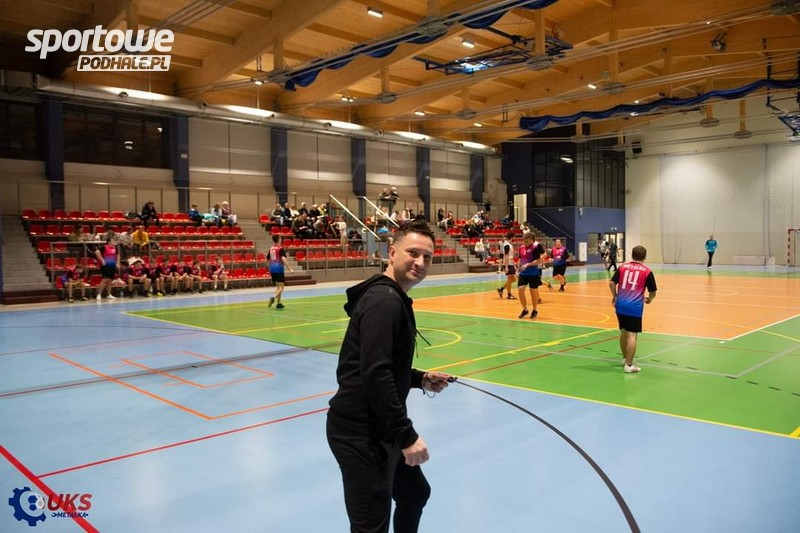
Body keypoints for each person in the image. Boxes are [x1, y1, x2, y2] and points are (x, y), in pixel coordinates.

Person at [326, 220, 454, 533]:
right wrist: (406, 436)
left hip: (380, 427)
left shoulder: (392, 296)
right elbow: (375, 373)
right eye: (413, 253)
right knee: (371, 526)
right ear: (392, 252)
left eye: (428, 257)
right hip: (360, 434)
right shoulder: (384, 301)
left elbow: (379, 364)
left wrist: (419, 378)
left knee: (415, 493)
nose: (420, 262)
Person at [609, 245, 657, 373]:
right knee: (632, 335)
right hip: (634, 307)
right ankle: (629, 365)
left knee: (623, 332)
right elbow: (653, 291)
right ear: (644, 257)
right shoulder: (647, 271)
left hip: (620, 304)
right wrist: (650, 299)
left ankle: (625, 358)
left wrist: (615, 296)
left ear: (632, 255)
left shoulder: (622, 267)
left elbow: (611, 283)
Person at [516, 233, 545, 319]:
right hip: (523, 273)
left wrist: (528, 264)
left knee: (533, 292)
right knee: (520, 290)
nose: (525, 242)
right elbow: (520, 259)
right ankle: (525, 309)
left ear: (532, 241)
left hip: (533, 273)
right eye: (524, 241)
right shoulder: (521, 248)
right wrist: (518, 270)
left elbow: (538, 261)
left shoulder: (535, 248)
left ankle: (535, 309)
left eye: (527, 241)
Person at [265, 235, 294, 309]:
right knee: (281, 287)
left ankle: (279, 303)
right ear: (278, 240)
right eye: (280, 238)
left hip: (272, 269)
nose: (281, 239)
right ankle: (273, 297)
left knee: (278, 287)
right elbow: (283, 258)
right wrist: (290, 268)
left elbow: (268, 259)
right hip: (279, 269)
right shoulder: (280, 248)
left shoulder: (271, 248)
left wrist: (270, 267)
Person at [94, 236, 118, 301]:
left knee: (110, 280)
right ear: (109, 242)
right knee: (104, 280)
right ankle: (99, 294)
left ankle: (109, 294)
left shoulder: (115, 248)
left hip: (112, 266)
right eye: (113, 241)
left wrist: (117, 263)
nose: (114, 242)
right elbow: (97, 252)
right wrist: (102, 260)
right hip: (105, 266)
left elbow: (117, 255)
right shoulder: (104, 247)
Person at [497, 231, 517, 300]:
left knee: (513, 279)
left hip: (510, 263)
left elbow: (510, 256)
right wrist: (506, 266)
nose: (515, 238)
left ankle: (501, 289)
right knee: (511, 279)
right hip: (508, 264)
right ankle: (509, 294)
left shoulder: (509, 245)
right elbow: (506, 255)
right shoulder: (507, 245)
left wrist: (514, 264)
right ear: (512, 237)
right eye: (514, 237)